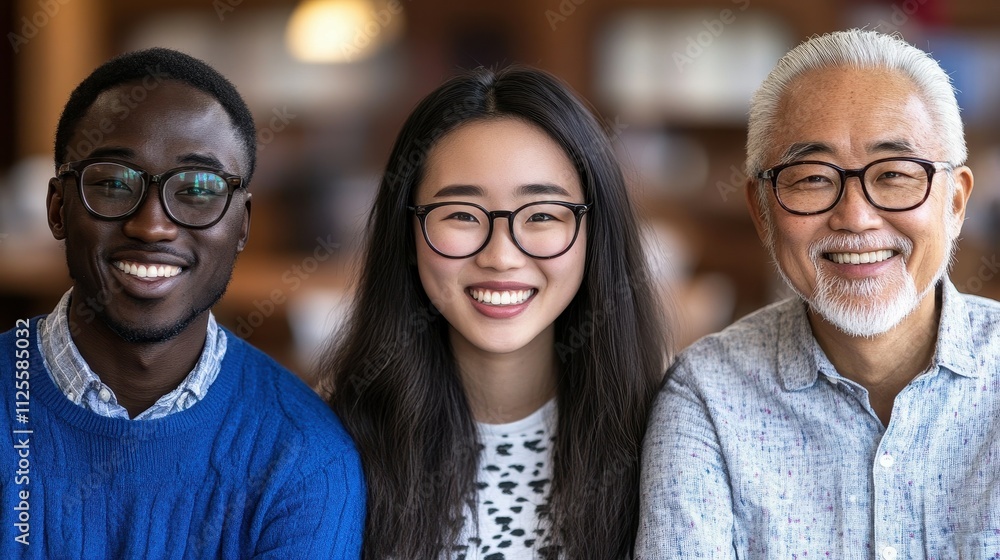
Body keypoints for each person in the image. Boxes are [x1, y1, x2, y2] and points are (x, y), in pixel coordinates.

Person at [635, 28, 997, 559]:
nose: (855, 216)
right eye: (811, 178)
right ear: (761, 211)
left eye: (895, 173)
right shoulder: (706, 398)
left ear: (956, 201)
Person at [0, 48, 364, 558]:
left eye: (197, 188)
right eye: (113, 183)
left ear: (242, 226)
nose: (151, 225)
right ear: (58, 209)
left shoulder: (304, 458)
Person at [319, 65, 670, 559]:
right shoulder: (327, 442)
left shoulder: (671, 434)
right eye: (461, 214)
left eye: (543, 215)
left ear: (596, 234)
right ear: (408, 232)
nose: (501, 255)